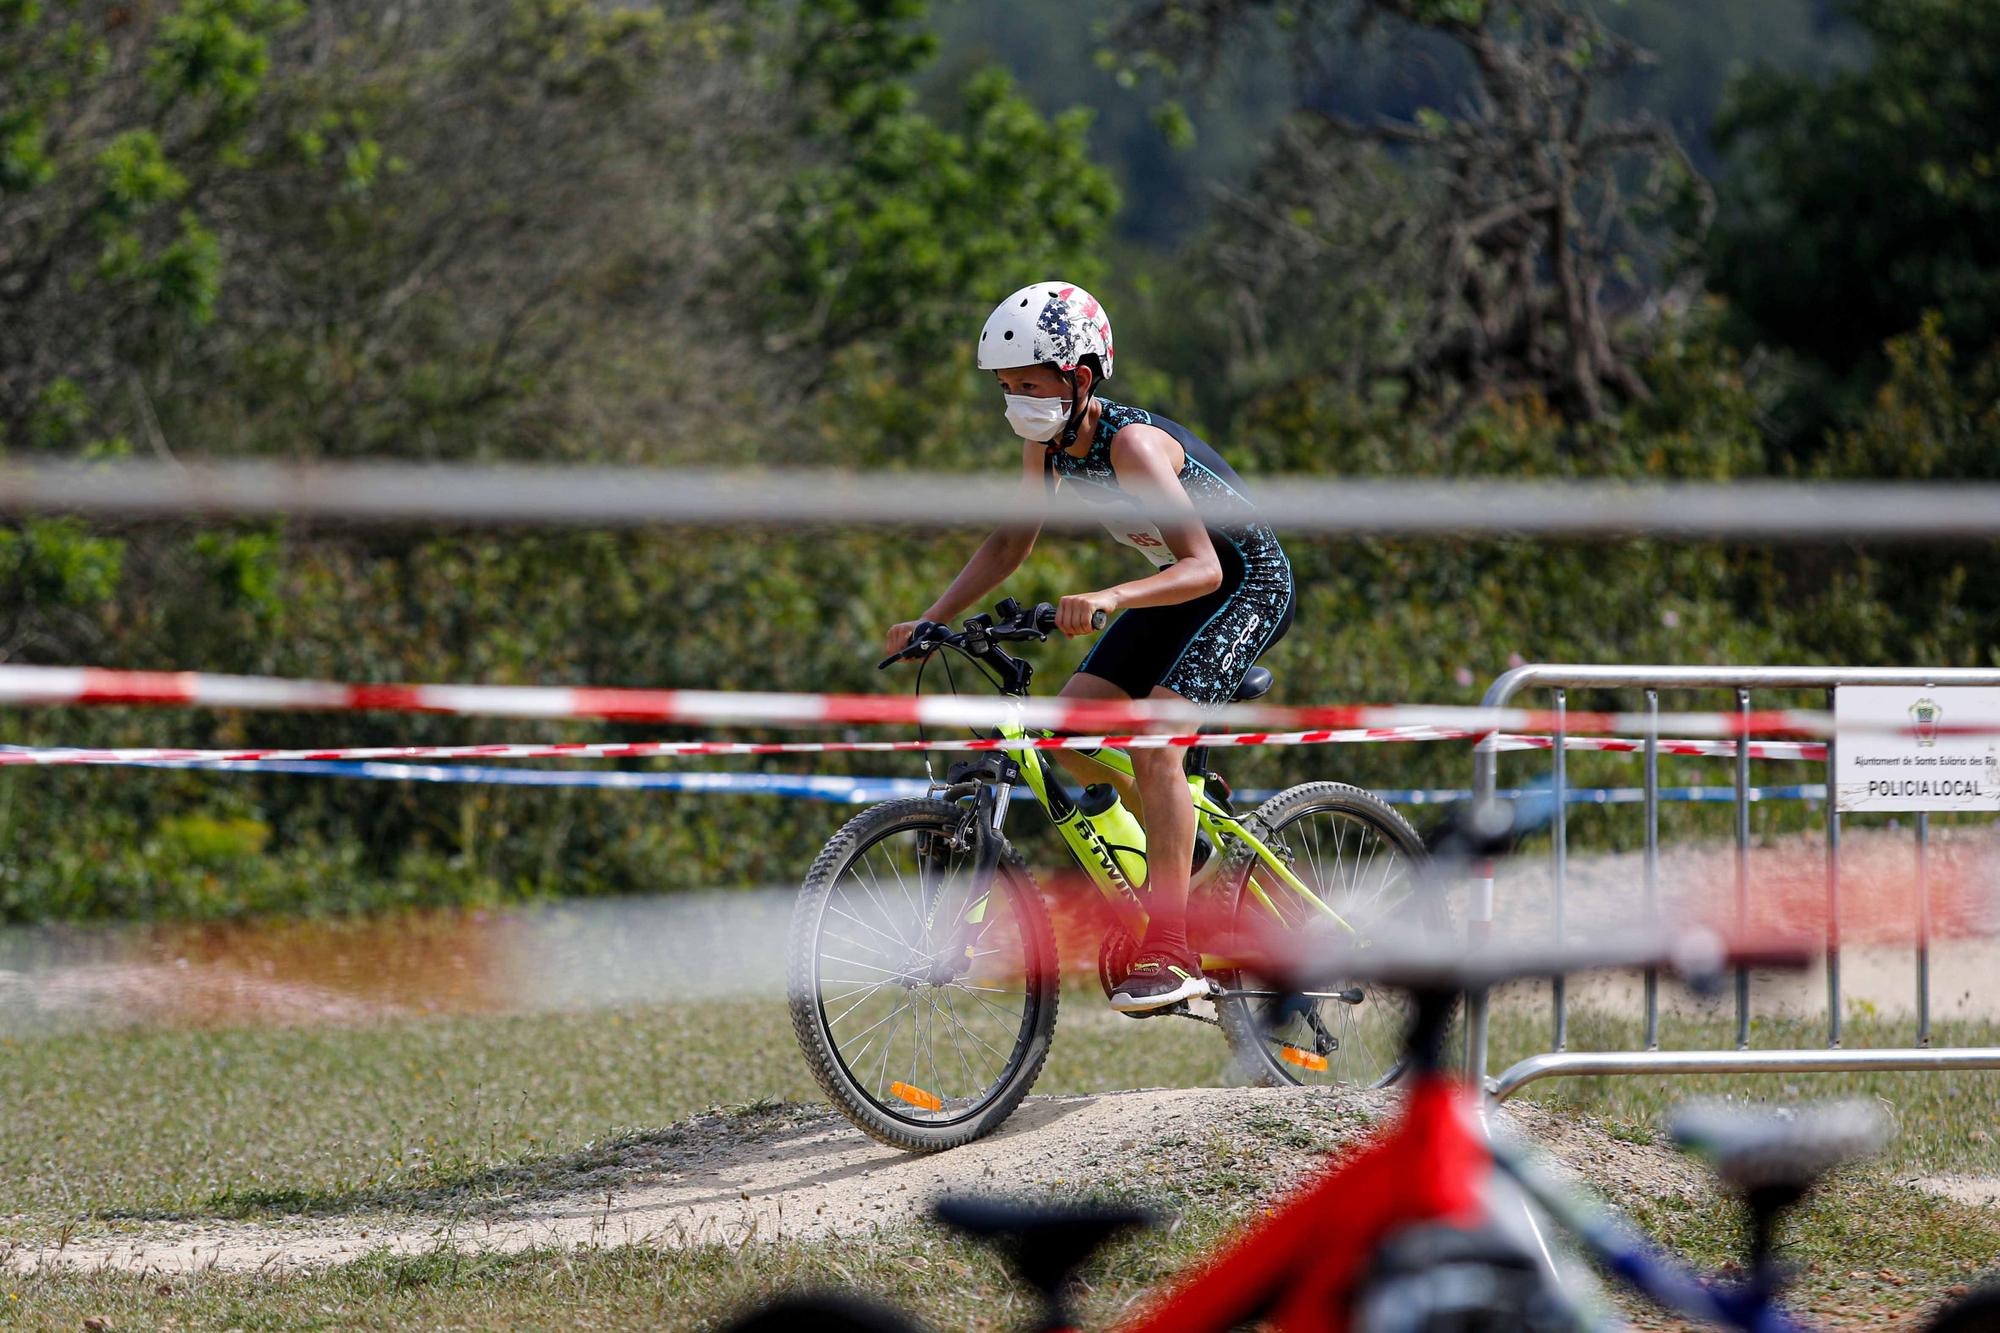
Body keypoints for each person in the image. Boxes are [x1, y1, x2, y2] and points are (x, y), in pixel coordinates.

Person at [884, 282, 1295, 1014]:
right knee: (1061, 725)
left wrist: (1109, 597)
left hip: (1244, 586)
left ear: (1079, 376)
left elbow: (1205, 566)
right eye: (1007, 387)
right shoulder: (1046, 445)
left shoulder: (1133, 446)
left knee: (1155, 741)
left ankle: (1173, 945)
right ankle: (1186, 840)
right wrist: (930, 617)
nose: (1017, 400)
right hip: (1179, 591)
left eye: (1031, 383)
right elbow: (1013, 540)